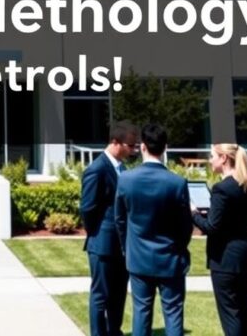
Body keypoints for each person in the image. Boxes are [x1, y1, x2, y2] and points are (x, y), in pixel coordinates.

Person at [115, 124, 193, 336]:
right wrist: (179, 247)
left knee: (141, 313)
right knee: (173, 314)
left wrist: (127, 248)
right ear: (165, 147)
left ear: (142, 147)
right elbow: (186, 225)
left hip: (139, 257)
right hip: (170, 257)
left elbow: (120, 220)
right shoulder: (177, 182)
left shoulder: (126, 179)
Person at [192, 144, 247, 336]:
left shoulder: (222, 189)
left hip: (225, 259)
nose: (210, 160)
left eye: (212, 156)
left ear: (224, 158)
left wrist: (193, 213)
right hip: (246, 254)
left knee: (231, 314)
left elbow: (211, 227)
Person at [80, 121, 139, 336]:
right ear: (115, 142)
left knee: (119, 293)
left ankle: (114, 331)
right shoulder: (97, 169)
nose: (133, 150)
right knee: (101, 295)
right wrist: (98, 233)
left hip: (122, 244)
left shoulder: (122, 168)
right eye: (130, 146)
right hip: (103, 244)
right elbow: (87, 208)